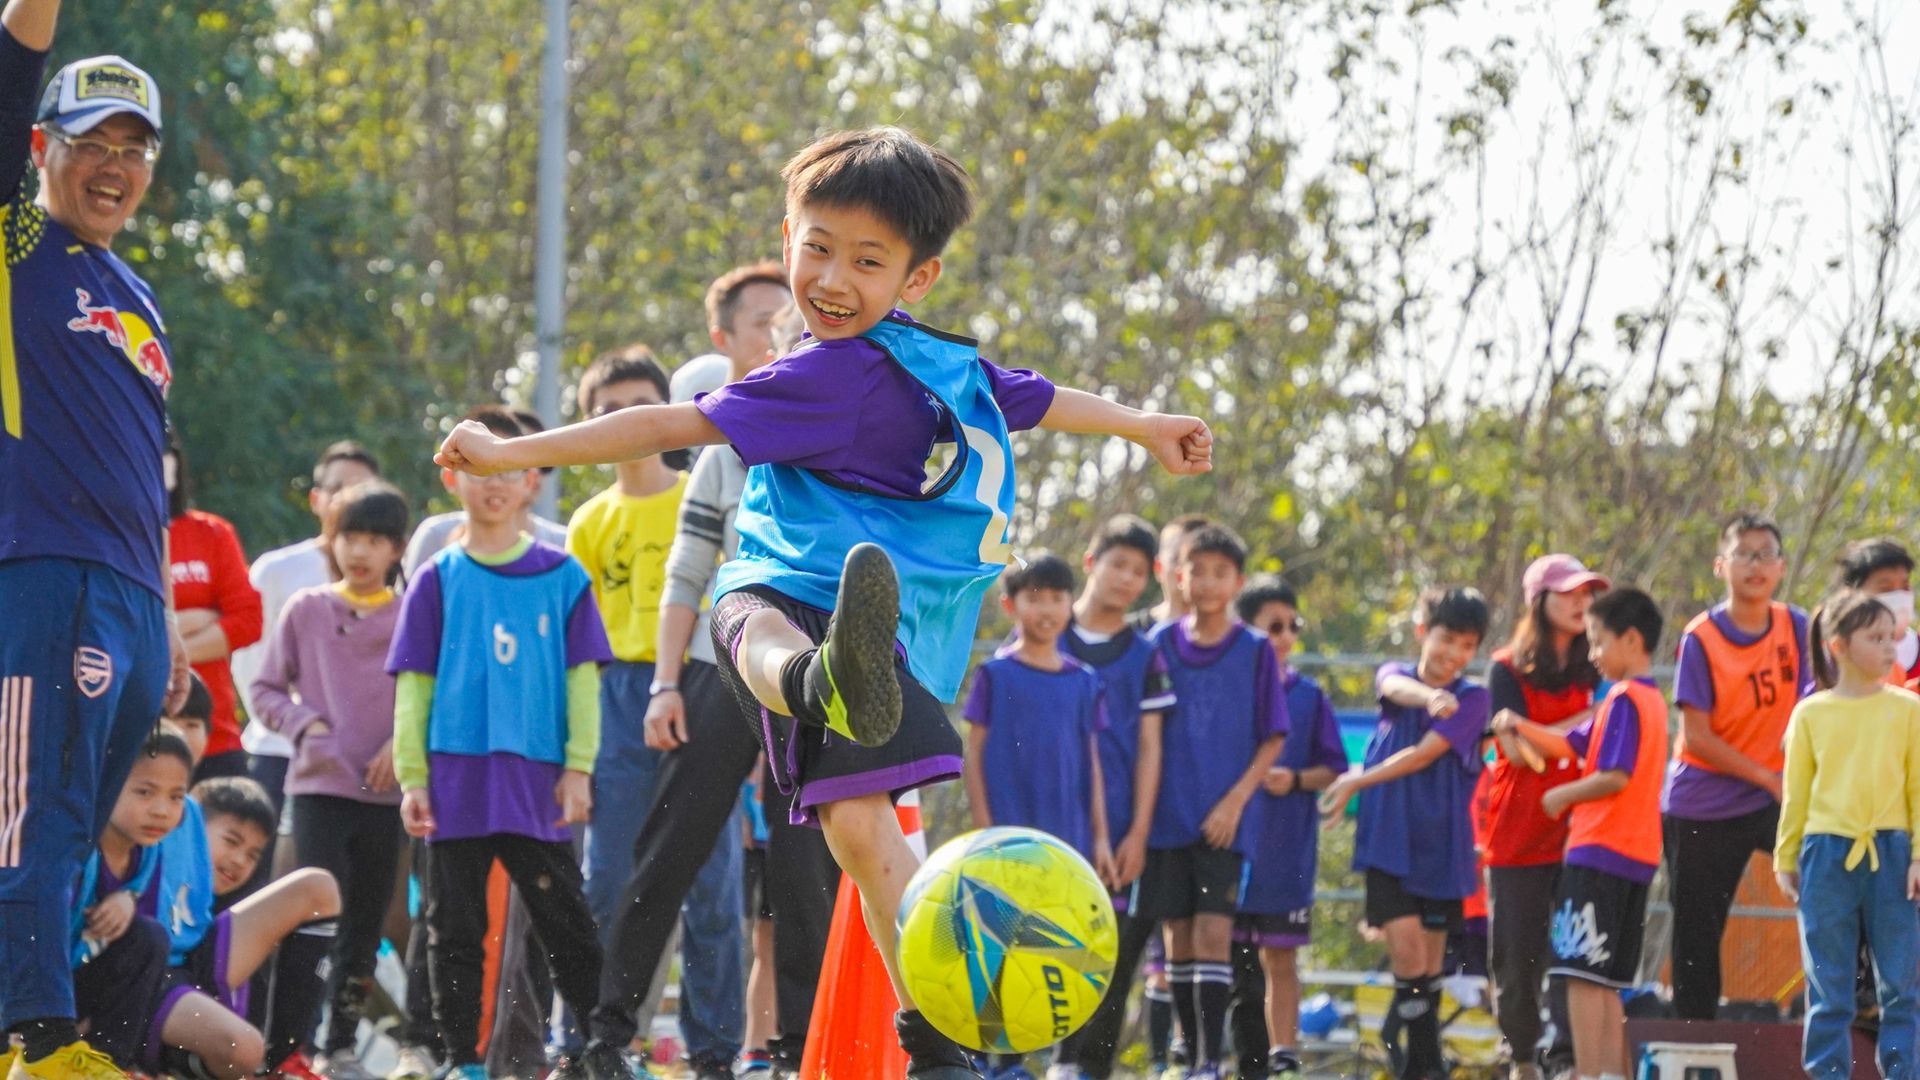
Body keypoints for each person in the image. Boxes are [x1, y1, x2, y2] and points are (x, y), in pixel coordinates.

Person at [435, 126, 1212, 1080]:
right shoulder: (938, 366)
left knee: (740, 612)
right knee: (862, 831)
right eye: (817, 248)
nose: (833, 278)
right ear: (788, 234)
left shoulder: (817, 372)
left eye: (867, 261)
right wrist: (1143, 425)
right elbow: (1041, 399)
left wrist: (515, 451)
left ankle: (808, 678)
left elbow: (662, 425)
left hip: (813, 602)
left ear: (915, 278)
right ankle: (938, 1041)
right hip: (890, 643)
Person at [0, 5, 193, 1070]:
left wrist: (161, 616)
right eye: (91, 145)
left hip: (132, 597)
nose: (114, 167)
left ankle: (28, 1027)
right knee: (31, 821)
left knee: (77, 832)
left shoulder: (139, 293)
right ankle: (40, 1038)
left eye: (134, 149)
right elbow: (9, 67)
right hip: (44, 574)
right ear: (42, 149)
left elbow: (142, 469)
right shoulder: (15, 241)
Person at [597, 293, 836, 1080]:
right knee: (666, 855)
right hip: (718, 669)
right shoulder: (727, 450)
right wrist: (666, 684)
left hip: (814, 681)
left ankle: (799, 1049)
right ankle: (604, 1033)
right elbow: (688, 572)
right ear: (768, 354)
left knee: (803, 871)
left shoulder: (860, 449)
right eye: (793, 339)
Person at [386, 433, 614, 1080]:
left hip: (536, 780)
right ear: (453, 480)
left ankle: (603, 1050)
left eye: (506, 471)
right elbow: (413, 685)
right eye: (475, 470)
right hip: (453, 776)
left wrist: (578, 768)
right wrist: (412, 778)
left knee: (566, 921)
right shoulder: (435, 579)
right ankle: (461, 1061)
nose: (491, 484)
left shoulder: (563, 576)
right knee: (452, 927)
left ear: (530, 484)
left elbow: (582, 682)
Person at [565, 345, 745, 1079]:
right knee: (607, 877)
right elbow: (577, 646)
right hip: (614, 696)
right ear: (591, 423)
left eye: (641, 406)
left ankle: (714, 1052)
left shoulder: (703, 483)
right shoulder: (587, 521)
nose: (627, 421)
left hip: (704, 685)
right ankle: (596, 1039)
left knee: (712, 882)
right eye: (610, 412)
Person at [249, 480, 410, 1080]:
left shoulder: (411, 612)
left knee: (364, 926)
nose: (360, 552)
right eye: (349, 538)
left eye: (374, 540)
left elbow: (431, 689)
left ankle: (337, 1045)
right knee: (312, 917)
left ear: (396, 548)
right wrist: (304, 723)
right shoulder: (306, 610)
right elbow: (264, 690)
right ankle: (284, 1047)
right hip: (317, 789)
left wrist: (402, 742)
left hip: (386, 795)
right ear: (331, 542)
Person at [75, 725, 341, 1080]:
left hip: (192, 956)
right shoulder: (135, 812)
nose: (239, 861)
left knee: (318, 887)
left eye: (252, 855)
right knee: (242, 1047)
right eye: (231, 841)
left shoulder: (181, 812)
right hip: (142, 972)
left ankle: (282, 1061)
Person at [1134, 525, 1287, 1080]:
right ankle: (1186, 1052)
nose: (1207, 581)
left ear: (1237, 581)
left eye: (1220, 572)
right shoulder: (1156, 645)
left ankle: (1209, 1061)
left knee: (1214, 933)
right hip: (1165, 817)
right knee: (1175, 936)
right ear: (1180, 576)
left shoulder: (1254, 650)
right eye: (1197, 569)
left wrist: (1235, 803)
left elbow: (1274, 734)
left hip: (1225, 822)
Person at [1320, 587, 1491, 1080]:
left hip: (1442, 850)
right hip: (1388, 844)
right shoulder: (1393, 678)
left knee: (1430, 969)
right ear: (1423, 631)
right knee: (1408, 954)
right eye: (1446, 639)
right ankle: (1426, 1068)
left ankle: (1416, 1060)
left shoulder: (1473, 699)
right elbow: (1397, 688)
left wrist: (1358, 779)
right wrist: (1430, 695)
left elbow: (1421, 756)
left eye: (1466, 645)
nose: (1454, 654)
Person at [1499, 588, 1667, 1080]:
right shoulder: (1651, 700)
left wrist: (1563, 797)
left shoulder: (1622, 698)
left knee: (1578, 975)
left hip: (1599, 854)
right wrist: (1518, 724)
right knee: (1607, 981)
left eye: (1597, 643)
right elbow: (1570, 744)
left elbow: (1614, 775)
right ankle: (1613, 1074)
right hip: (1635, 855)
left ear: (1631, 640)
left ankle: (1589, 1074)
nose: (1591, 655)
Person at [961, 553, 1109, 1080]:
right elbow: (973, 752)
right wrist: (985, 827)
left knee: (1062, 945)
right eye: (1034, 597)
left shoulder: (1084, 680)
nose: (1046, 608)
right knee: (1003, 945)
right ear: (1010, 605)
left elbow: (1091, 762)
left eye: (1056, 597)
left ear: (1071, 604)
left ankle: (1061, 1061)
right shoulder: (995, 674)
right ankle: (1002, 1060)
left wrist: (1102, 839)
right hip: (1006, 838)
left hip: (1068, 842)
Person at [1663, 513, 1811, 1020]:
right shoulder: (1702, 637)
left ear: (1781, 566)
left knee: (1837, 887)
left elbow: (1813, 708)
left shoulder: (1797, 626)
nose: (1755, 564)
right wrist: (1768, 776)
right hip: (1706, 801)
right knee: (1696, 935)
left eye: (1765, 553)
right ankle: (1693, 1042)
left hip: (1778, 796)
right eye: (1744, 554)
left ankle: (1844, 1013)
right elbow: (1699, 738)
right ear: (1721, 565)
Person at [1774, 589, 1920, 1080]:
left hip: (1893, 855)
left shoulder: (1907, 710)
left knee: (1901, 981)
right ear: (1837, 645)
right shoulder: (1810, 714)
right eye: (1875, 637)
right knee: (1828, 982)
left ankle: (1904, 1072)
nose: (1888, 648)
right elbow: (1796, 793)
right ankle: (1827, 1072)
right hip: (1825, 855)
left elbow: (1918, 787)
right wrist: (1786, 856)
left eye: (1891, 638)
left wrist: (1918, 855)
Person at [1054, 514, 1174, 1080]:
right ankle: (1002, 1060)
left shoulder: (1146, 654)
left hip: (1119, 826)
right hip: (1045, 819)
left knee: (1104, 952)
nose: (1125, 579)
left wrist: (1138, 834)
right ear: (1090, 563)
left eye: (1137, 571)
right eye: (1116, 564)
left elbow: (1152, 748)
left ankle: (1083, 1066)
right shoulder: (1041, 633)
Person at [1482, 555, 1607, 1079]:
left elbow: (1602, 729)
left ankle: (1570, 1061)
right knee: (1516, 959)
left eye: (1586, 593)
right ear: (1539, 601)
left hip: (1583, 829)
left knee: (1575, 951)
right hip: (1517, 831)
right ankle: (1523, 1059)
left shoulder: (1599, 667)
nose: (1580, 603)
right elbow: (1515, 756)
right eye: (1567, 593)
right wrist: (1569, 732)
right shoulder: (1505, 667)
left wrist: (1525, 726)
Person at [1230, 576, 1348, 1079]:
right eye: (1272, 626)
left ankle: (1284, 1059)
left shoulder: (1309, 695)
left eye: (1292, 626)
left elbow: (1334, 766)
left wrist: (1296, 778)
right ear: (1247, 629)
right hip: (1232, 846)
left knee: (1281, 959)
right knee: (1235, 967)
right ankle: (1232, 1058)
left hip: (1288, 848)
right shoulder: (1229, 688)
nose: (1284, 636)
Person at [231, 441, 382, 821]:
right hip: (278, 751)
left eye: (360, 490)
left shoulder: (399, 586)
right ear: (315, 499)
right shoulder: (277, 570)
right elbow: (251, 666)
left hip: (367, 765)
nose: (348, 499)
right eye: (337, 489)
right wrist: (303, 729)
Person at [164, 433, 265, 782]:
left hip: (214, 736)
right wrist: (196, 619)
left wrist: (167, 649)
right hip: (136, 732)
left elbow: (249, 621)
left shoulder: (212, 534)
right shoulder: (111, 538)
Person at [1836, 539, 1920, 687]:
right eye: (1886, 589)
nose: (1900, 596)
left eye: (1905, 586)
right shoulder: (1837, 655)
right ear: (1852, 594)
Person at [1132, 514, 1212, 632]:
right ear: (1158, 568)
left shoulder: (1236, 639)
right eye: (1176, 559)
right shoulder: (1129, 634)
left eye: (1195, 561)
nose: (1185, 570)